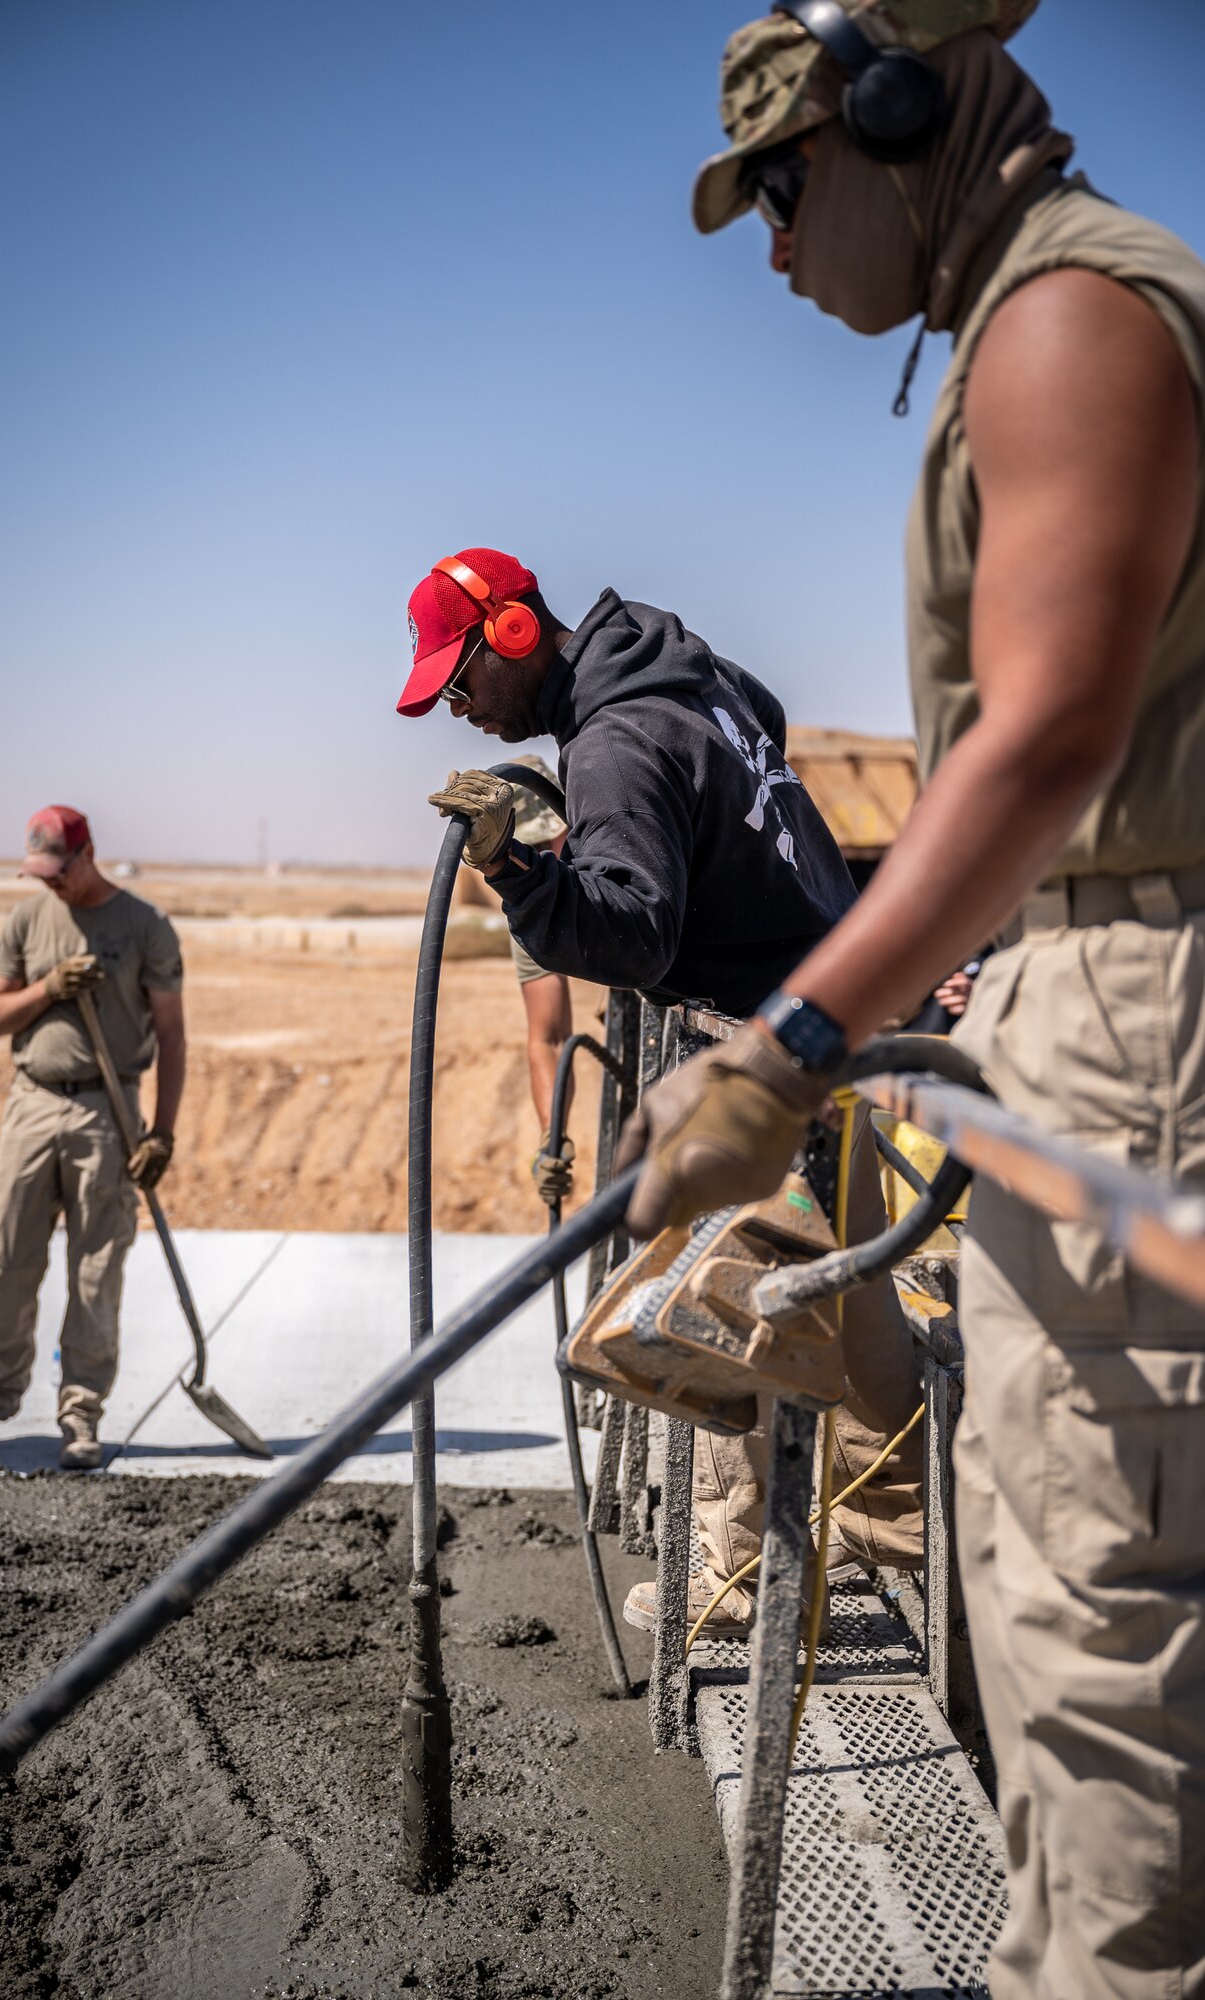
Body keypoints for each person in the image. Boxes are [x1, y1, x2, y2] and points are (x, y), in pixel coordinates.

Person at [625, 4, 1205, 1991]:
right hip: (1096, 982)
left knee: (1100, 1632)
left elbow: (1044, 738)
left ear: (896, 111)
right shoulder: (1043, 324)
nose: (775, 243)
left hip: (1142, 1021)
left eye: (787, 183)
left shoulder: (1065, 321)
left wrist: (792, 1042)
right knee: (1069, 1596)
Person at [397, 545, 925, 1632]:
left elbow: (637, 934)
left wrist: (519, 870)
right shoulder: (688, 674)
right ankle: (898, 1521)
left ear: (513, 632)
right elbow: (764, 717)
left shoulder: (616, 741)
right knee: (857, 1289)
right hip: (834, 1005)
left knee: (730, 1311)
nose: (459, 705)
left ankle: (741, 1580)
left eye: (461, 675)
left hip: (763, 1045)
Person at [0, 806, 185, 1471]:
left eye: (59, 871)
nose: (51, 883)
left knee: (96, 1267)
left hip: (106, 1113)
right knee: (7, 1257)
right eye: (41, 873)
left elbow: (171, 1035)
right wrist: (49, 988)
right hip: (32, 1104)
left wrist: (161, 1133)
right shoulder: (27, 920)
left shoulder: (144, 926)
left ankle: (80, 1410)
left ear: (87, 854)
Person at [503, 755, 580, 1207]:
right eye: (530, 850)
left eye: (551, 841)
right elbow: (548, 1039)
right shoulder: (530, 910)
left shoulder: (623, 858)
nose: (548, 858)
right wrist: (552, 1137)